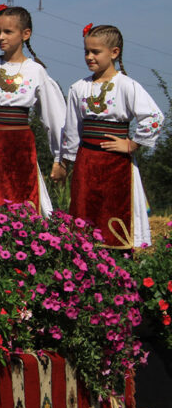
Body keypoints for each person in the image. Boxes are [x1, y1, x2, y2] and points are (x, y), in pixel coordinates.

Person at [62, 24, 163, 249]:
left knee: (115, 208)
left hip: (117, 163)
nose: (89, 57)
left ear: (114, 52)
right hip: (86, 162)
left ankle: (119, 258)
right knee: (85, 210)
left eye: (96, 52)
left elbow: (154, 116)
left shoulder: (127, 85)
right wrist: (66, 161)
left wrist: (133, 144)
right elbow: (71, 128)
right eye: (86, 51)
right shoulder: (78, 88)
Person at [0, 5, 66, 214]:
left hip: (20, 144)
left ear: (25, 34)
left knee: (22, 194)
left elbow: (53, 117)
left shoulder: (35, 71)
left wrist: (59, 157)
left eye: (8, 32)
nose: (1, 37)